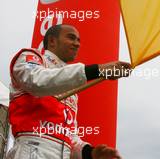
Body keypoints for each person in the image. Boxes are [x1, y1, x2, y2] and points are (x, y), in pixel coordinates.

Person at [6, 24, 131, 159]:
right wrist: (97, 70)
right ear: (52, 41)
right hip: (31, 149)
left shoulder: (71, 84)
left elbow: (69, 136)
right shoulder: (31, 56)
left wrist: (90, 152)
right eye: (71, 38)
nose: (77, 44)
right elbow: (37, 82)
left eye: (78, 40)